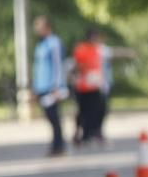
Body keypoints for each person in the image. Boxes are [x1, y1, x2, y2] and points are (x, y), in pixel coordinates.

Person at [31, 15, 68, 157]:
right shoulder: (40, 45)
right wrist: (35, 87)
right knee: (49, 117)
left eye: (40, 28)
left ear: (47, 28)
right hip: (41, 86)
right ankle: (55, 145)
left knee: (54, 117)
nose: (37, 32)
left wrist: (57, 86)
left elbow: (59, 65)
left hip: (52, 87)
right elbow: (38, 67)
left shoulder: (54, 43)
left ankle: (59, 146)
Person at [71, 28, 107, 146]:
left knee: (98, 110)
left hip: (94, 86)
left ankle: (91, 133)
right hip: (83, 86)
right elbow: (78, 66)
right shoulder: (82, 49)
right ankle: (79, 134)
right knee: (83, 112)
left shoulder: (96, 50)